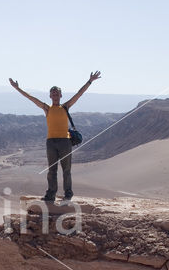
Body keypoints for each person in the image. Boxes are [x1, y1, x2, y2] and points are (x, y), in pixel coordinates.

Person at [9, 71, 101, 202]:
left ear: (61, 95)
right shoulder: (47, 108)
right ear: (50, 96)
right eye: (53, 94)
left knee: (66, 170)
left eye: (57, 93)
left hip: (65, 141)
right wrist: (18, 88)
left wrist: (90, 81)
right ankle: (51, 194)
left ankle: (68, 194)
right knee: (52, 170)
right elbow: (31, 98)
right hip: (51, 142)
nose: (55, 96)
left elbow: (79, 94)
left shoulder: (66, 106)